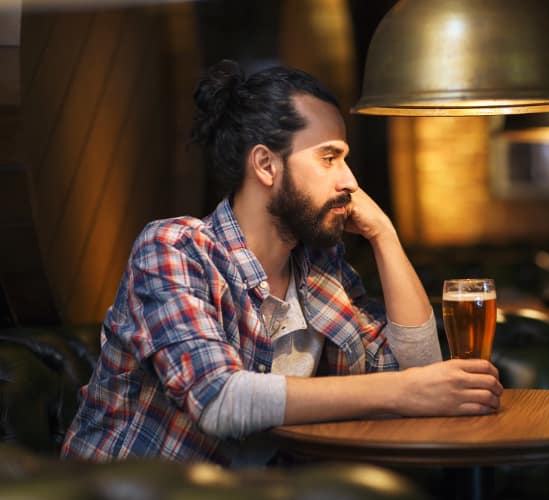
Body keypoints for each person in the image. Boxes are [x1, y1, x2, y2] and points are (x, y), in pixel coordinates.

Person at [60, 60, 502, 465]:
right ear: (266, 165)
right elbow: (219, 400)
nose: (349, 181)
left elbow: (418, 376)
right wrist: (404, 392)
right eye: (330, 158)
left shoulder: (319, 268)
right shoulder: (176, 249)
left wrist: (383, 232)